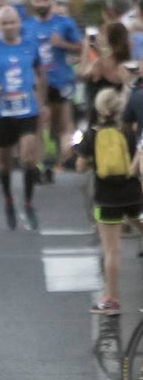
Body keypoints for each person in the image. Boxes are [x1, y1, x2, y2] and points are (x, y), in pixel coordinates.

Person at [75, 88, 143, 315]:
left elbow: (80, 166)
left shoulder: (92, 134)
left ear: (98, 108)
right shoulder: (128, 132)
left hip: (107, 199)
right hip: (133, 195)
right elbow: (137, 159)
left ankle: (111, 300)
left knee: (112, 250)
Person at [0, 6, 45, 230]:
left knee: (28, 158)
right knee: (4, 163)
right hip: (3, 113)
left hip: (27, 111)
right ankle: (8, 200)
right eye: (4, 23)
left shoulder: (29, 45)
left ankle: (28, 203)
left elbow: (40, 71)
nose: (9, 26)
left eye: (12, 22)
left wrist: (41, 101)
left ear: (19, 23)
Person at [22, 0, 82, 176]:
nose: (41, 4)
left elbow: (81, 47)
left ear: (51, 2)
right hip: (37, 82)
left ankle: (66, 159)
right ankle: (40, 164)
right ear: (32, 3)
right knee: (40, 121)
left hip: (61, 80)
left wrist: (62, 44)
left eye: (44, 0)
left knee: (63, 124)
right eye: (37, 1)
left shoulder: (64, 23)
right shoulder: (26, 26)